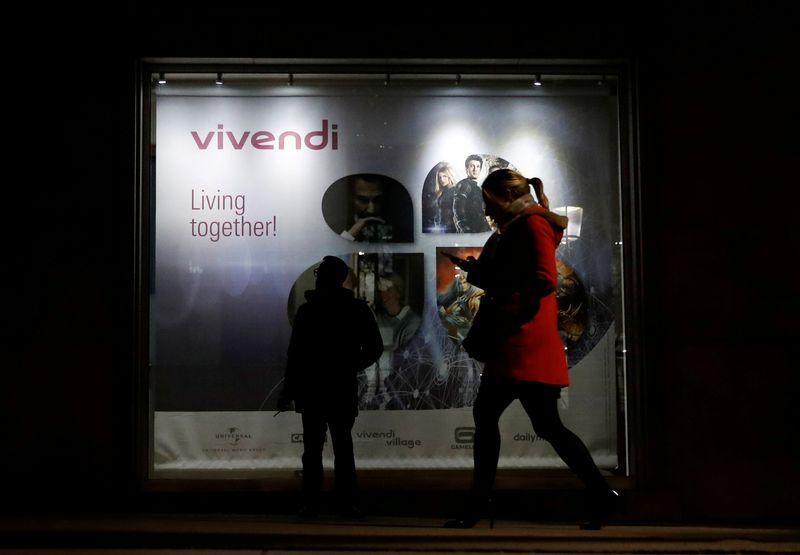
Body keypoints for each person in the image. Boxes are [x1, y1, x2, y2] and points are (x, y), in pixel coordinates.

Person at [443, 169, 619, 530]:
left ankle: (480, 503)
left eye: (488, 201)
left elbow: (543, 279)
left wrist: (503, 300)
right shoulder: (527, 225)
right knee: (540, 425)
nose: (485, 209)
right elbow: (526, 277)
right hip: (522, 341)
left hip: (522, 341)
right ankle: (600, 495)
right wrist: (482, 275)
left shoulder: (531, 225)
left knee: (511, 421)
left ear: (506, 197)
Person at [277, 255, 384, 518]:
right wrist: (349, 365)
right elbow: (375, 348)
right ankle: (347, 504)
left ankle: (311, 504)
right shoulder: (357, 309)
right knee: (343, 448)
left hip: (312, 389)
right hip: (341, 387)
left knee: (312, 451)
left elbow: (296, 356)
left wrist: (288, 391)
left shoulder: (307, 311)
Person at [340, 175, 394, 242]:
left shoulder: (397, 228)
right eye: (363, 200)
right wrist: (350, 234)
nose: (371, 210)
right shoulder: (339, 227)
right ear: (351, 199)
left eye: (377, 200)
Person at [453, 155, 491, 233]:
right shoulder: (464, 184)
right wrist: (466, 230)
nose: (475, 169)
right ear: (467, 168)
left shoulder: (477, 187)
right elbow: (458, 209)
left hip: (480, 229)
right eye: (472, 166)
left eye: (478, 166)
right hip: (471, 230)